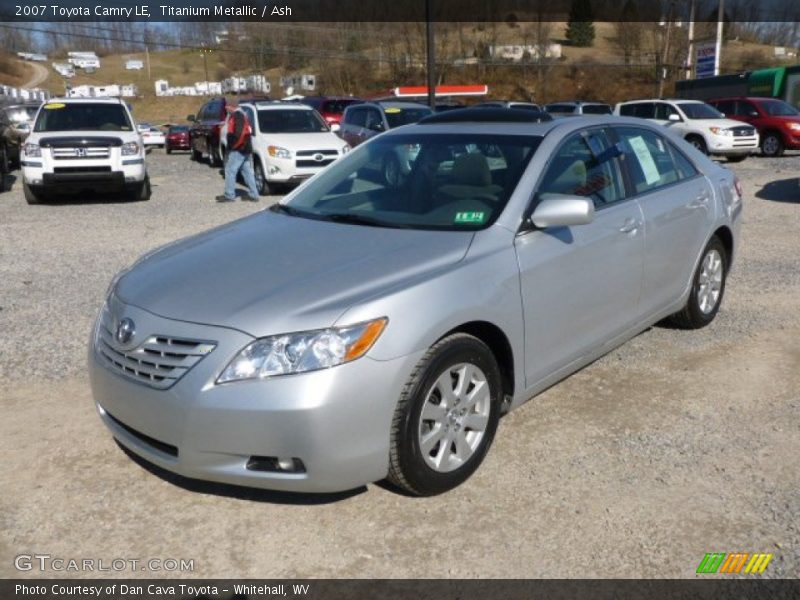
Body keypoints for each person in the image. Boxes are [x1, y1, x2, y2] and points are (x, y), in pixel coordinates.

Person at [216, 105, 260, 202]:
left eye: (226, 107)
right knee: (247, 171)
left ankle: (229, 195)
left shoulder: (238, 116)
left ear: (231, 106)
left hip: (239, 149)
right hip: (245, 149)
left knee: (230, 170)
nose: (226, 109)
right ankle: (254, 194)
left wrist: (234, 146)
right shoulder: (242, 115)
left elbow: (239, 134)